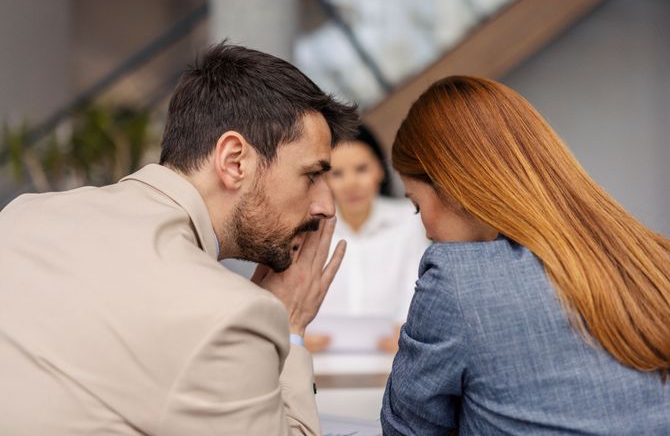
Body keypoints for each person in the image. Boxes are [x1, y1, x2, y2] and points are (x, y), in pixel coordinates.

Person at [0, 42, 358, 435]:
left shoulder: (22, 216)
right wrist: (289, 327)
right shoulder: (228, 316)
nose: (326, 205)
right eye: (312, 175)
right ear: (234, 160)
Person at [381, 75, 670, 435]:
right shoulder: (654, 259)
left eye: (416, 205)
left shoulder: (457, 280)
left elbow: (406, 430)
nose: (424, 228)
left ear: (452, 186)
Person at [306, 125, 427, 353]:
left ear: (380, 170)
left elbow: (418, 289)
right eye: (337, 174)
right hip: (320, 358)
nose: (351, 183)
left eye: (361, 169)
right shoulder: (309, 229)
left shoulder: (410, 221)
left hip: (395, 356)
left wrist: (410, 331)